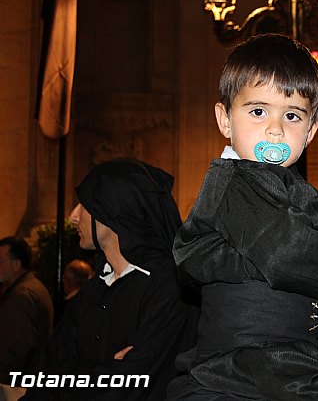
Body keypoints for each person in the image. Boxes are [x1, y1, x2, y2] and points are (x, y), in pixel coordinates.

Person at [167, 33, 318, 400]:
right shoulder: (236, 181)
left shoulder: (281, 183)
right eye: (258, 111)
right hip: (250, 361)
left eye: (291, 116)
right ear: (225, 120)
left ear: (310, 132)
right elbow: (289, 253)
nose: (275, 129)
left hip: (276, 360)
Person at [24, 159, 194, 400]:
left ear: (112, 209)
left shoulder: (170, 290)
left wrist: (75, 376)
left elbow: (132, 387)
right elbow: (42, 375)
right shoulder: (93, 290)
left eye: (83, 204)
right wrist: (104, 370)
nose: (73, 217)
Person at [0, 237, 54, 401]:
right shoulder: (29, 287)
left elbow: (16, 347)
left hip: (15, 386)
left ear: (16, 264)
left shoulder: (22, 294)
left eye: (1, 261)